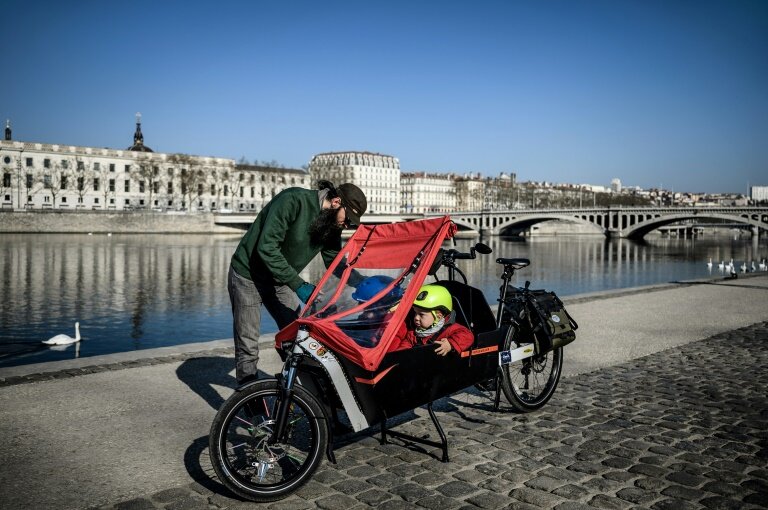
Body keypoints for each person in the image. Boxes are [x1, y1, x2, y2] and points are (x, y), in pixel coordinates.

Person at [228, 180, 367, 384]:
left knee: (297, 339)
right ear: (337, 201)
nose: (347, 226)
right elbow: (267, 248)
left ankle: (293, 394)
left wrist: (361, 283)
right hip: (248, 277)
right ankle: (253, 410)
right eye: (348, 219)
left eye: (352, 224)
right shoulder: (292, 200)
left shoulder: (331, 223)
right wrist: (299, 285)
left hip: (280, 281)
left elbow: (334, 259)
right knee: (248, 347)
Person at [389, 284, 474, 355]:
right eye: (415, 313)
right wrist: (399, 357)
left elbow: (468, 336)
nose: (416, 318)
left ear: (438, 316)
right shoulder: (414, 334)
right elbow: (405, 347)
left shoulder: (449, 329)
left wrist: (450, 344)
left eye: (421, 315)